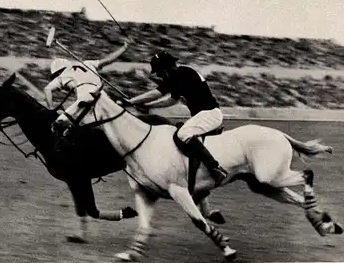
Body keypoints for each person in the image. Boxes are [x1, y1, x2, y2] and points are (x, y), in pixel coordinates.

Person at [124, 51, 227, 187]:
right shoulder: (180, 75)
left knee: (183, 134)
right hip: (203, 115)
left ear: (166, 68)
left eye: (159, 72)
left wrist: (131, 101)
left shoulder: (181, 74)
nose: (159, 75)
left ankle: (215, 169)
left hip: (209, 114)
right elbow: (172, 100)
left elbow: (156, 93)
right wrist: (147, 105)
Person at [44, 37, 133, 114]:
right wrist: (125, 47)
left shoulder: (62, 76)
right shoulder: (87, 63)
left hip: (85, 99)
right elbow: (108, 59)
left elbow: (47, 89)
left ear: (58, 72)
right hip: (101, 94)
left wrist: (51, 108)